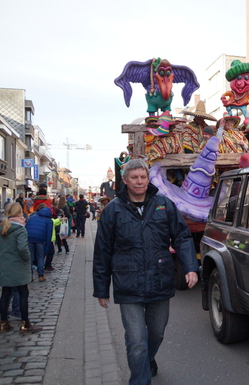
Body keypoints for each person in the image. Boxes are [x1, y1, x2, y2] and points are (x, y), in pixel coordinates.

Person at [93, 159, 199, 384]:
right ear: (125, 180)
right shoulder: (113, 210)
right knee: (136, 340)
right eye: (134, 177)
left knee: (157, 332)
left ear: (148, 179)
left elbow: (181, 236)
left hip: (160, 280)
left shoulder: (164, 204)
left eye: (143, 177)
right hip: (127, 282)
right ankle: (140, 378)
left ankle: (148, 359)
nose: (139, 181)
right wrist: (101, 289)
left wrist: (191, 267)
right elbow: (102, 251)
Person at [0, 203, 43, 334]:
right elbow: (23, 248)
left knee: (5, 294)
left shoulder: (2, 228)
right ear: (19, 213)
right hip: (18, 266)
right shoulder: (20, 229)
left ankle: (3, 323)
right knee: (23, 293)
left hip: (5, 266)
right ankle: (25, 323)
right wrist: (27, 259)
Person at [25, 204, 53, 282]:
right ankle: (41, 275)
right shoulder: (49, 221)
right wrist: (47, 249)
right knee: (40, 257)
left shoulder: (33, 217)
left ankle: (30, 276)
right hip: (40, 239)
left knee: (30, 257)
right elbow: (48, 235)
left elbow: (27, 227)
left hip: (29, 238)